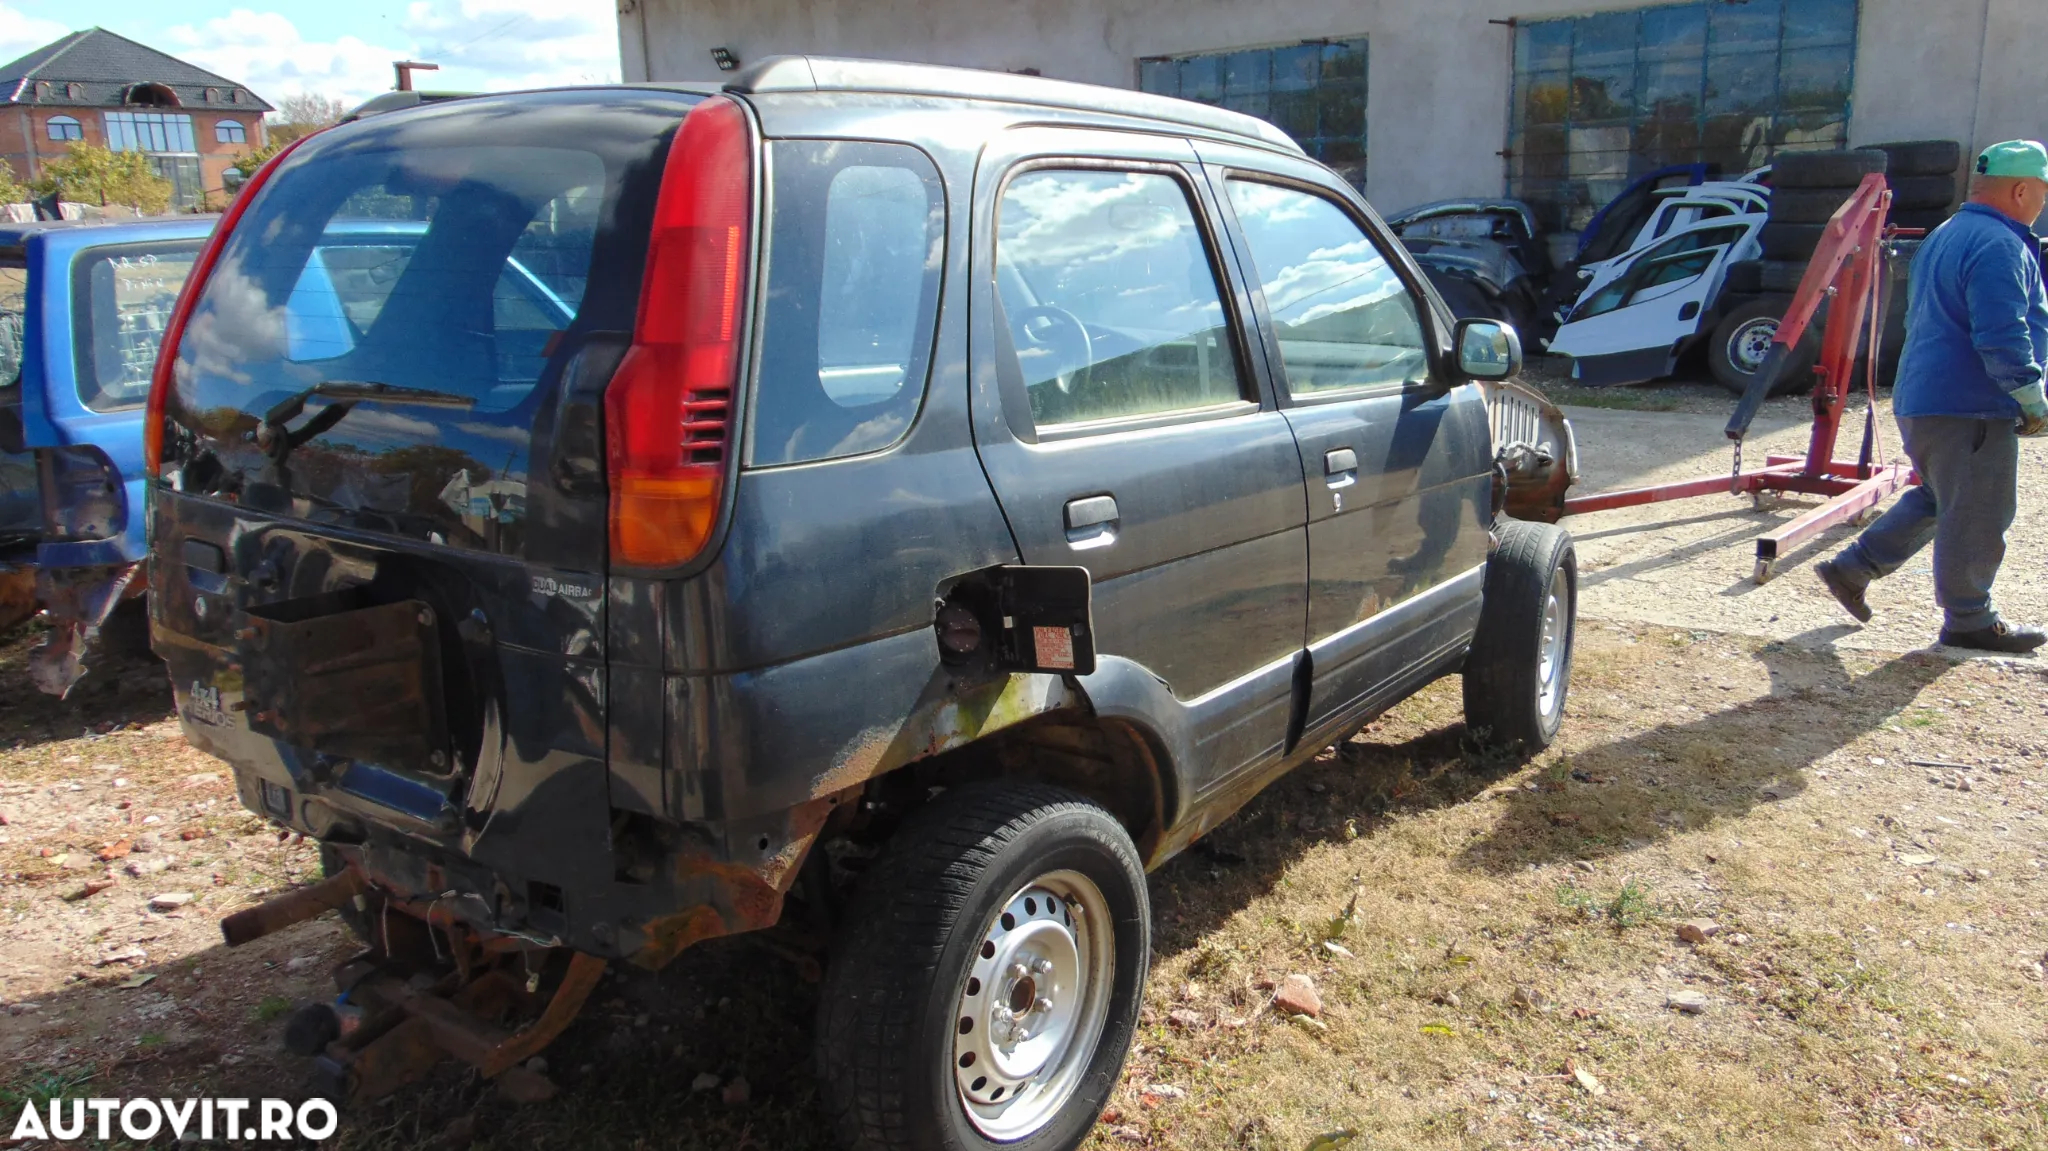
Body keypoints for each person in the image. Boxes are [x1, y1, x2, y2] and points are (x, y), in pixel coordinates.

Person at [1814, 140, 2048, 653]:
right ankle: (1969, 618)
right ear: (2022, 189)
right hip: (1970, 403)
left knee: (1942, 497)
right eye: (2042, 194)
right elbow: (2002, 332)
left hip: (1926, 396)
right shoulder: (2000, 244)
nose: (2042, 204)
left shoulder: (1949, 233)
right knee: (1980, 510)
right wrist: (2031, 398)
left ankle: (1852, 569)